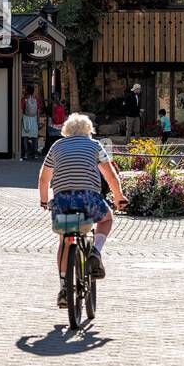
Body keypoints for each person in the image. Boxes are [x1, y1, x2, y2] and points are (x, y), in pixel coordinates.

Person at [38, 112, 128, 309]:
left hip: (62, 200)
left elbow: (44, 178)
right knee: (106, 219)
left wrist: (44, 201)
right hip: (89, 198)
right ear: (89, 131)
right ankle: (95, 251)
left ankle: (63, 288)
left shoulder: (56, 146)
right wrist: (119, 197)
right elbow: (110, 176)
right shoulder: (95, 146)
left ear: (66, 131)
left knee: (64, 239)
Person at [21, 87, 40, 159]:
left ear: (26, 91)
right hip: (34, 119)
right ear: (33, 92)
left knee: (25, 136)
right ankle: (35, 154)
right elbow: (38, 111)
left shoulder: (24, 100)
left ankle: (25, 153)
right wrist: (37, 120)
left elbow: (21, 110)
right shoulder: (36, 100)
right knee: (34, 137)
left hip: (26, 118)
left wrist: (21, 119)